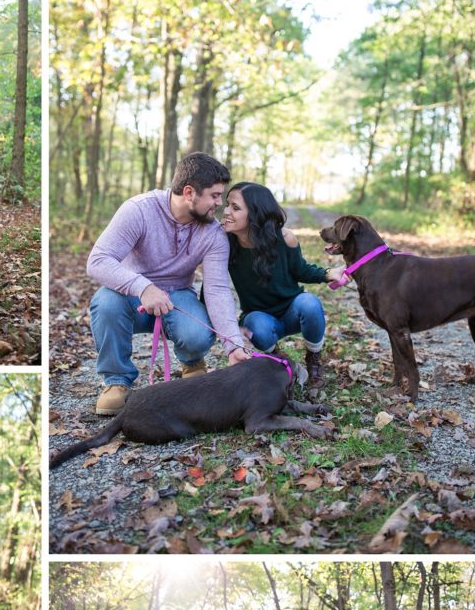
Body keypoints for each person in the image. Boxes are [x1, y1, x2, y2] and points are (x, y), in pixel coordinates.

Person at [86, 152, 253, 415]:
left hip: (178, 295)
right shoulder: (139, 210)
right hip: (131, 296)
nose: (219, 204)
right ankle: (116, 381)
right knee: (105, 303)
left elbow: (217, 289)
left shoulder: (212, 233)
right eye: (214, 195)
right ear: (189, 192)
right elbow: (98, 260)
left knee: (196, 334)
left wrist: (233, 344)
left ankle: (192, 363)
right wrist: (143, 287)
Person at [221, 182, 348, 388]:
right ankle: (280, 361)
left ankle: (313, 359)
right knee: (256, 324)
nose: (226, 211)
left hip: (292, 311)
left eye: (235, 208)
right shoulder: (224, 243)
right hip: (260, 318)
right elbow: (213, 286)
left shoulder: (284, 238)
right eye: (227, 205)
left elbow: (300, 269)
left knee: (310, 303)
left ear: (255, 213)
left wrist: (327, 274)